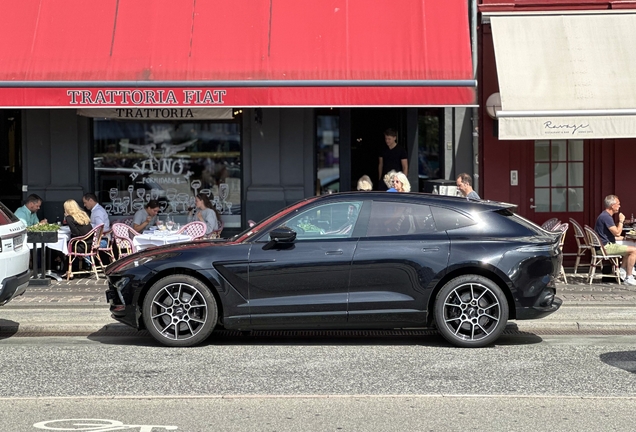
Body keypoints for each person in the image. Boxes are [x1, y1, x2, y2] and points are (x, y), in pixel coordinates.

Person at [594, 195, 636, 286]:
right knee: (634, 250)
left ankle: (623, 271)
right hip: (605, 247)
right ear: (612, 205)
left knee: (630, 245)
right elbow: (617, 233)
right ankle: (629, 277)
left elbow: (608, 235)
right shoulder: (606, 217)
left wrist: (625, 238)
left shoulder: (604, 215)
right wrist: (621, 221)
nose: (619, 206)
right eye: (618, 204)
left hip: (604, 244)